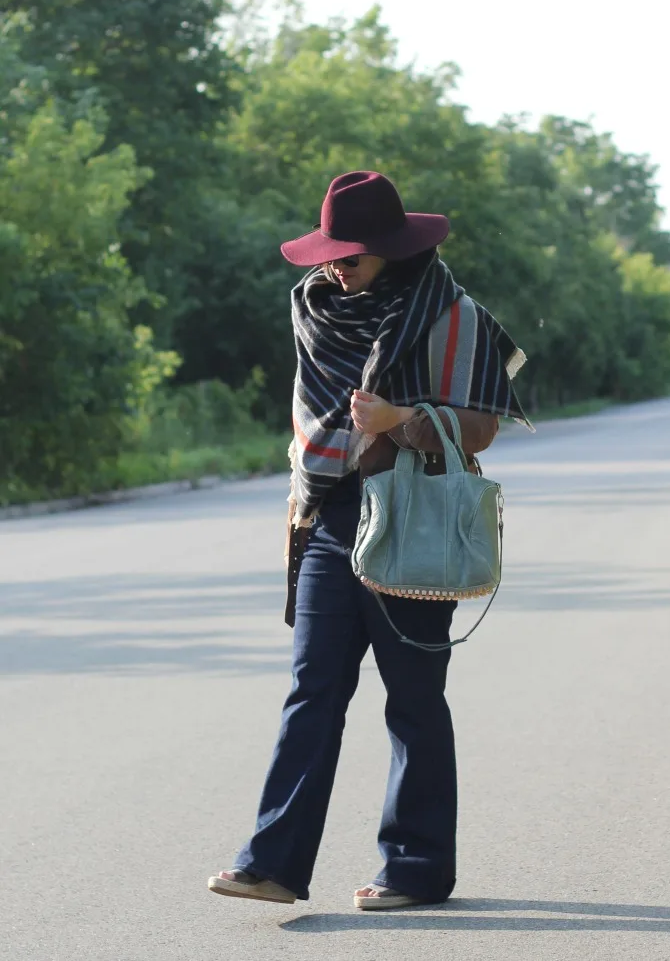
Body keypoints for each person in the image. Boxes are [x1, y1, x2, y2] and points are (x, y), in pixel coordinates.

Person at [208, 171, 529, 910]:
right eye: (331, 251)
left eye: (351, 254)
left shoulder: (453, 315)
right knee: (311, 690)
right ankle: (273, 865)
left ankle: (415, 871)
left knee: (414, 699)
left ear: (390, 249)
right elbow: (314, 425)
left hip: (412, 509)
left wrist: (400, 419)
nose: (336, 266)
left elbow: (480, 428)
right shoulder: (314, 310)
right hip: (329, 514)